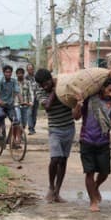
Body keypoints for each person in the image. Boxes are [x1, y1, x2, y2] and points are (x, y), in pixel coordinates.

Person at [72, 73, 111, 212]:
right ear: (102, 87)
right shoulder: (89, 99)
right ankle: (93, 201)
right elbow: (76, 117)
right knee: (89, 172)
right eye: (110, 90)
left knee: (105, 172)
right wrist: (78, 104)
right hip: (87, 140)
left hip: (103, 142)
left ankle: (95, 187)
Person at [35, 68, 75, 203]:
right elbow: (47, 106)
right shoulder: (40, 90)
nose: (44, 87)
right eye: (42, 85)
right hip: (55, 129)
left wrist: (60, 87)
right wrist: (54, 90)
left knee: (63, 161)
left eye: (46, 84)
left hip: (69, 127)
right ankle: (51, 187)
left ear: (51, 79)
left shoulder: (63, 86)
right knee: (55, 158)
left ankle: (57, 192)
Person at [0, 65, 23, 145]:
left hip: (9, 105)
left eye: (10, 72)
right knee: (0, 115)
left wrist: (22, 101)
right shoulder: (0, 80)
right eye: (6, 72)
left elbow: (17, 92)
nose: (8, 74)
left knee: (16, 121)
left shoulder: (14, 81)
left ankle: (15, 140)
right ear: (4, 73)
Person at [26, 63, 39, 135]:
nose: (30, 70)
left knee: (34, 114)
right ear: (27, 70)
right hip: (29, 98)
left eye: (31, 69)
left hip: (36, 97)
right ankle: (30, 129)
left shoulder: (37, 77)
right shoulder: (25, 78)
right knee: (29, 113)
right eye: (29, 69)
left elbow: (39, 86)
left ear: (33, 69)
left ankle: (33, 127)